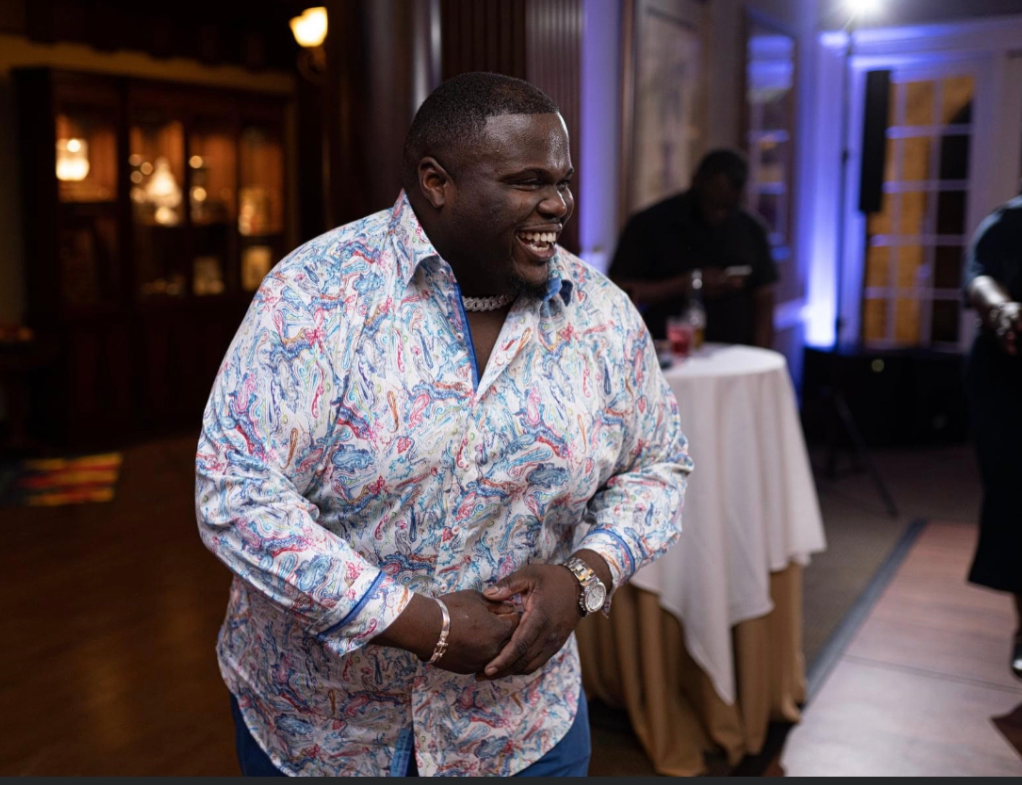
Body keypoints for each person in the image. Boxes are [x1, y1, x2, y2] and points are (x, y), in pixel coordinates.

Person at [194, 72, 692, 777]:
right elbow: (237, 494)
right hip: (327, 736)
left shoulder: (601, 314)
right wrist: (423, 623)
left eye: (562, 181)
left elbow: (658, 466)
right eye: (527, 181)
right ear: (437, 182)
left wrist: (586, 575)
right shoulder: (316, 294)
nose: (558, 203)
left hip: (521, 732)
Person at [608, 149, 778, 349]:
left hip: (735, 351)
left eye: (727, 207)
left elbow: (764, 298)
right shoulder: (651, 223)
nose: (719, 214)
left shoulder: (751, 229)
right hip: (666, 349)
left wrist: (761, 352)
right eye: (714, 204)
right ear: (697, 182)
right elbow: (619, 289)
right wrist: (687, 283)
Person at [963, 169, 1022, 685]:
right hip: (1012, 384)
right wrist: (1004, 309)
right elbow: (979, 278)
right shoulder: (1010, 222)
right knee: (1018, 507)